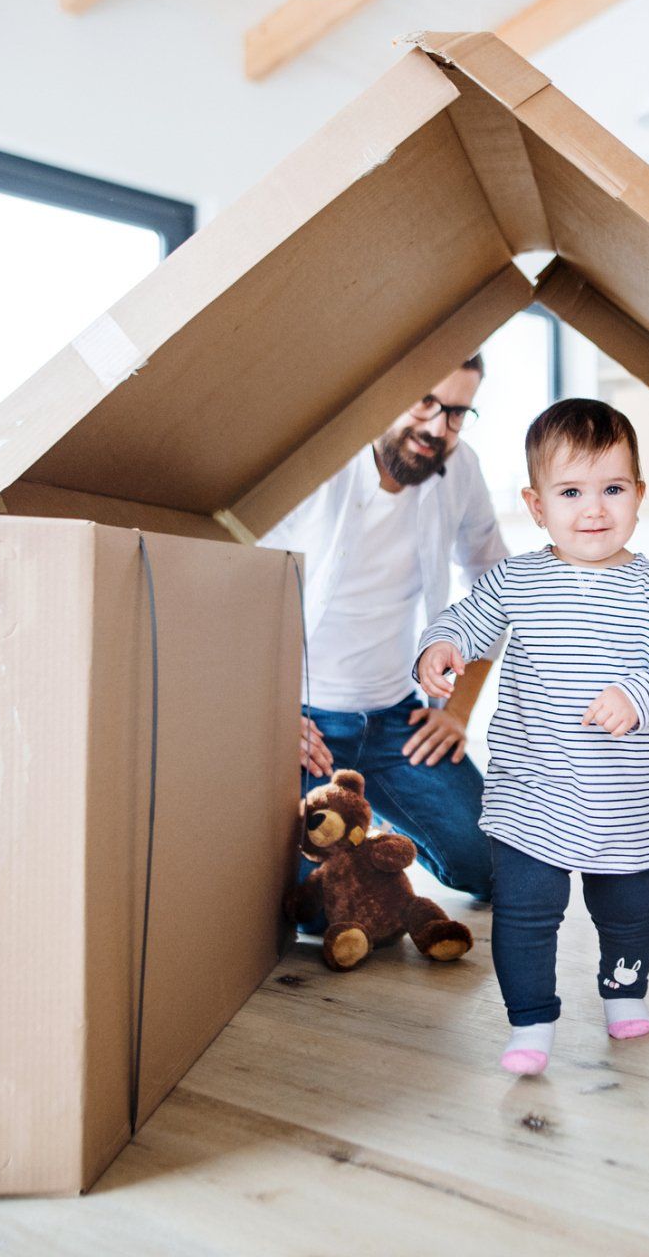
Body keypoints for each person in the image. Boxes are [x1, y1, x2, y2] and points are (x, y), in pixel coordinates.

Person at [416, 399, 649, 1076]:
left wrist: (640, 694)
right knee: (524, 913)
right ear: (538, 504)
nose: (594, 509)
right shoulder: (516, 580)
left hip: (622, 799)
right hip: (532, 793)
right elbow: (464, 620)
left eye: (612, 489)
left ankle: (623, 989)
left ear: (638, 496)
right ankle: (531, 1021)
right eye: (571, 492)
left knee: (631, 910)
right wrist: (441, 647)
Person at [261, 355, 507, 919]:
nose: (436, 429)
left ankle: (373, 816)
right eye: (425, 402)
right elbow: (230, 587)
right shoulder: (315, 461)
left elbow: (495, 585)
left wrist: (458, 712)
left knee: (493, 866)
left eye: (457, 413)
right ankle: (362, 831)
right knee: (311, 907)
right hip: (305, 726)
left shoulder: (460, 468)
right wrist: (268, 716)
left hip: (398, 722)